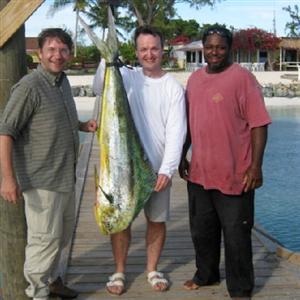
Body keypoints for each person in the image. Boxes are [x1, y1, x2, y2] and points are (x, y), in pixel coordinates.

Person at [0, 28, 97, 300]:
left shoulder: (62, 81)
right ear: (39, 53)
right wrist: (7, 179)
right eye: (51, 50)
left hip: (66, 176)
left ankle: (53, 281)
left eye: (63, 50)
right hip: (41, 180)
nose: (58, 55)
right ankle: (37, 293)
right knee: (43, 242)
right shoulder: (29, 87)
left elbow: (55, 119)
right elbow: (5, 131)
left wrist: (81, 125)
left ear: (70, 53)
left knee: (62, 236)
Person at [179, 25, 271, 300]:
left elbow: (259, 124)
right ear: (203, 48)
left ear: (229, 48)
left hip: (236, 175)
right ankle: (206, 275)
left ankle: (241, 288)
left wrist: (256, 166)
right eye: (209, 47)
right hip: (200, 174)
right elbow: (189, 123)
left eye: (220, 47)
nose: (214, 52)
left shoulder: (243, 79)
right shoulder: (194, 80)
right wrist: (183, 153)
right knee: (202, 232)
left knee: (236, 236)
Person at [93, 26, 186, 295]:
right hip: (122, 170)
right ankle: (119, 270)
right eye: (143, 49)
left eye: (154, 48)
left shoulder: (172, 88)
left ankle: (152, 269)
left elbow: (176, 132)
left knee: (157, 221)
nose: (149, 54)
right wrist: (107, 58)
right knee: (121, 220)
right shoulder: (126, 76)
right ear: (136, 52)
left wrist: (167, 169)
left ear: (162, 50)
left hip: (155, 171)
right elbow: (98, 85)